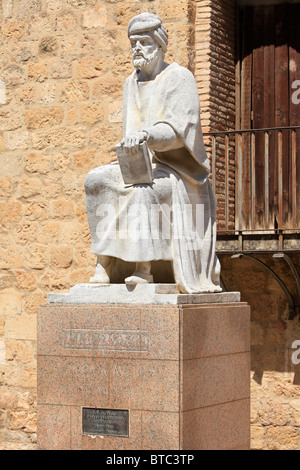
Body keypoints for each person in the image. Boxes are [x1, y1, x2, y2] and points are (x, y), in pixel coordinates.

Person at [84, 12, 221, 294]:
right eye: (133, 42)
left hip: (178, 171)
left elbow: (180, 129)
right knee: (95, 180)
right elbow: (129, 132)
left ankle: (142, 269)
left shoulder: (179, 78)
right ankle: (103, 261)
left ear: (159, 45)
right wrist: (131, 147)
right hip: (140, 163)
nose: (137, 48)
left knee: (142, 190)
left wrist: (148, 135)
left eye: (144, 42)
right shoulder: (129, 83)